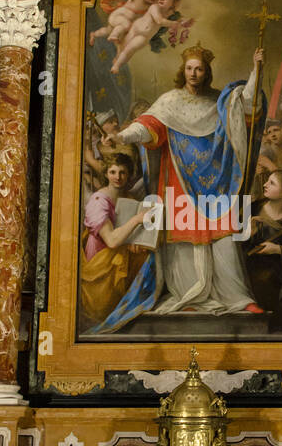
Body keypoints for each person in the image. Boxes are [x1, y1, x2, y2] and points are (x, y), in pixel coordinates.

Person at [96, 44, 266, 332]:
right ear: (182, 71)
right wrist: (121, 136)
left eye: (199, 68)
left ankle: (238, 298)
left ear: (206, 71)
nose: (193, 73)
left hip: (216, 184)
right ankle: (189, 296)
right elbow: (147, 127)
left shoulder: (220, 101)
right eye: (189, 68)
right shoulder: (170, 101)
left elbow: (247, 105)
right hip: (178, 179)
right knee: (183, 241)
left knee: (224, 239)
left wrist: (256, 70)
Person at [81, 154, 150, 324]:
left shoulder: (129, 199)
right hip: (102, 261)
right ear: (105, 174)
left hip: (121, 256)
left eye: (122, 172)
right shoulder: (98, 201)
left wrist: (137, 244)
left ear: (129, 175)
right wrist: (136, 220)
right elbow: (111, 241)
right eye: (113, 172)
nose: (117, 177)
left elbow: (131, 235)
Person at [246, 170, 282, 328]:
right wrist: (249, 231)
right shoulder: (253, 208)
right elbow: (238, 243)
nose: (265, 185)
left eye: (272, 183)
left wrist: (276, 249)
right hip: (253, 270)